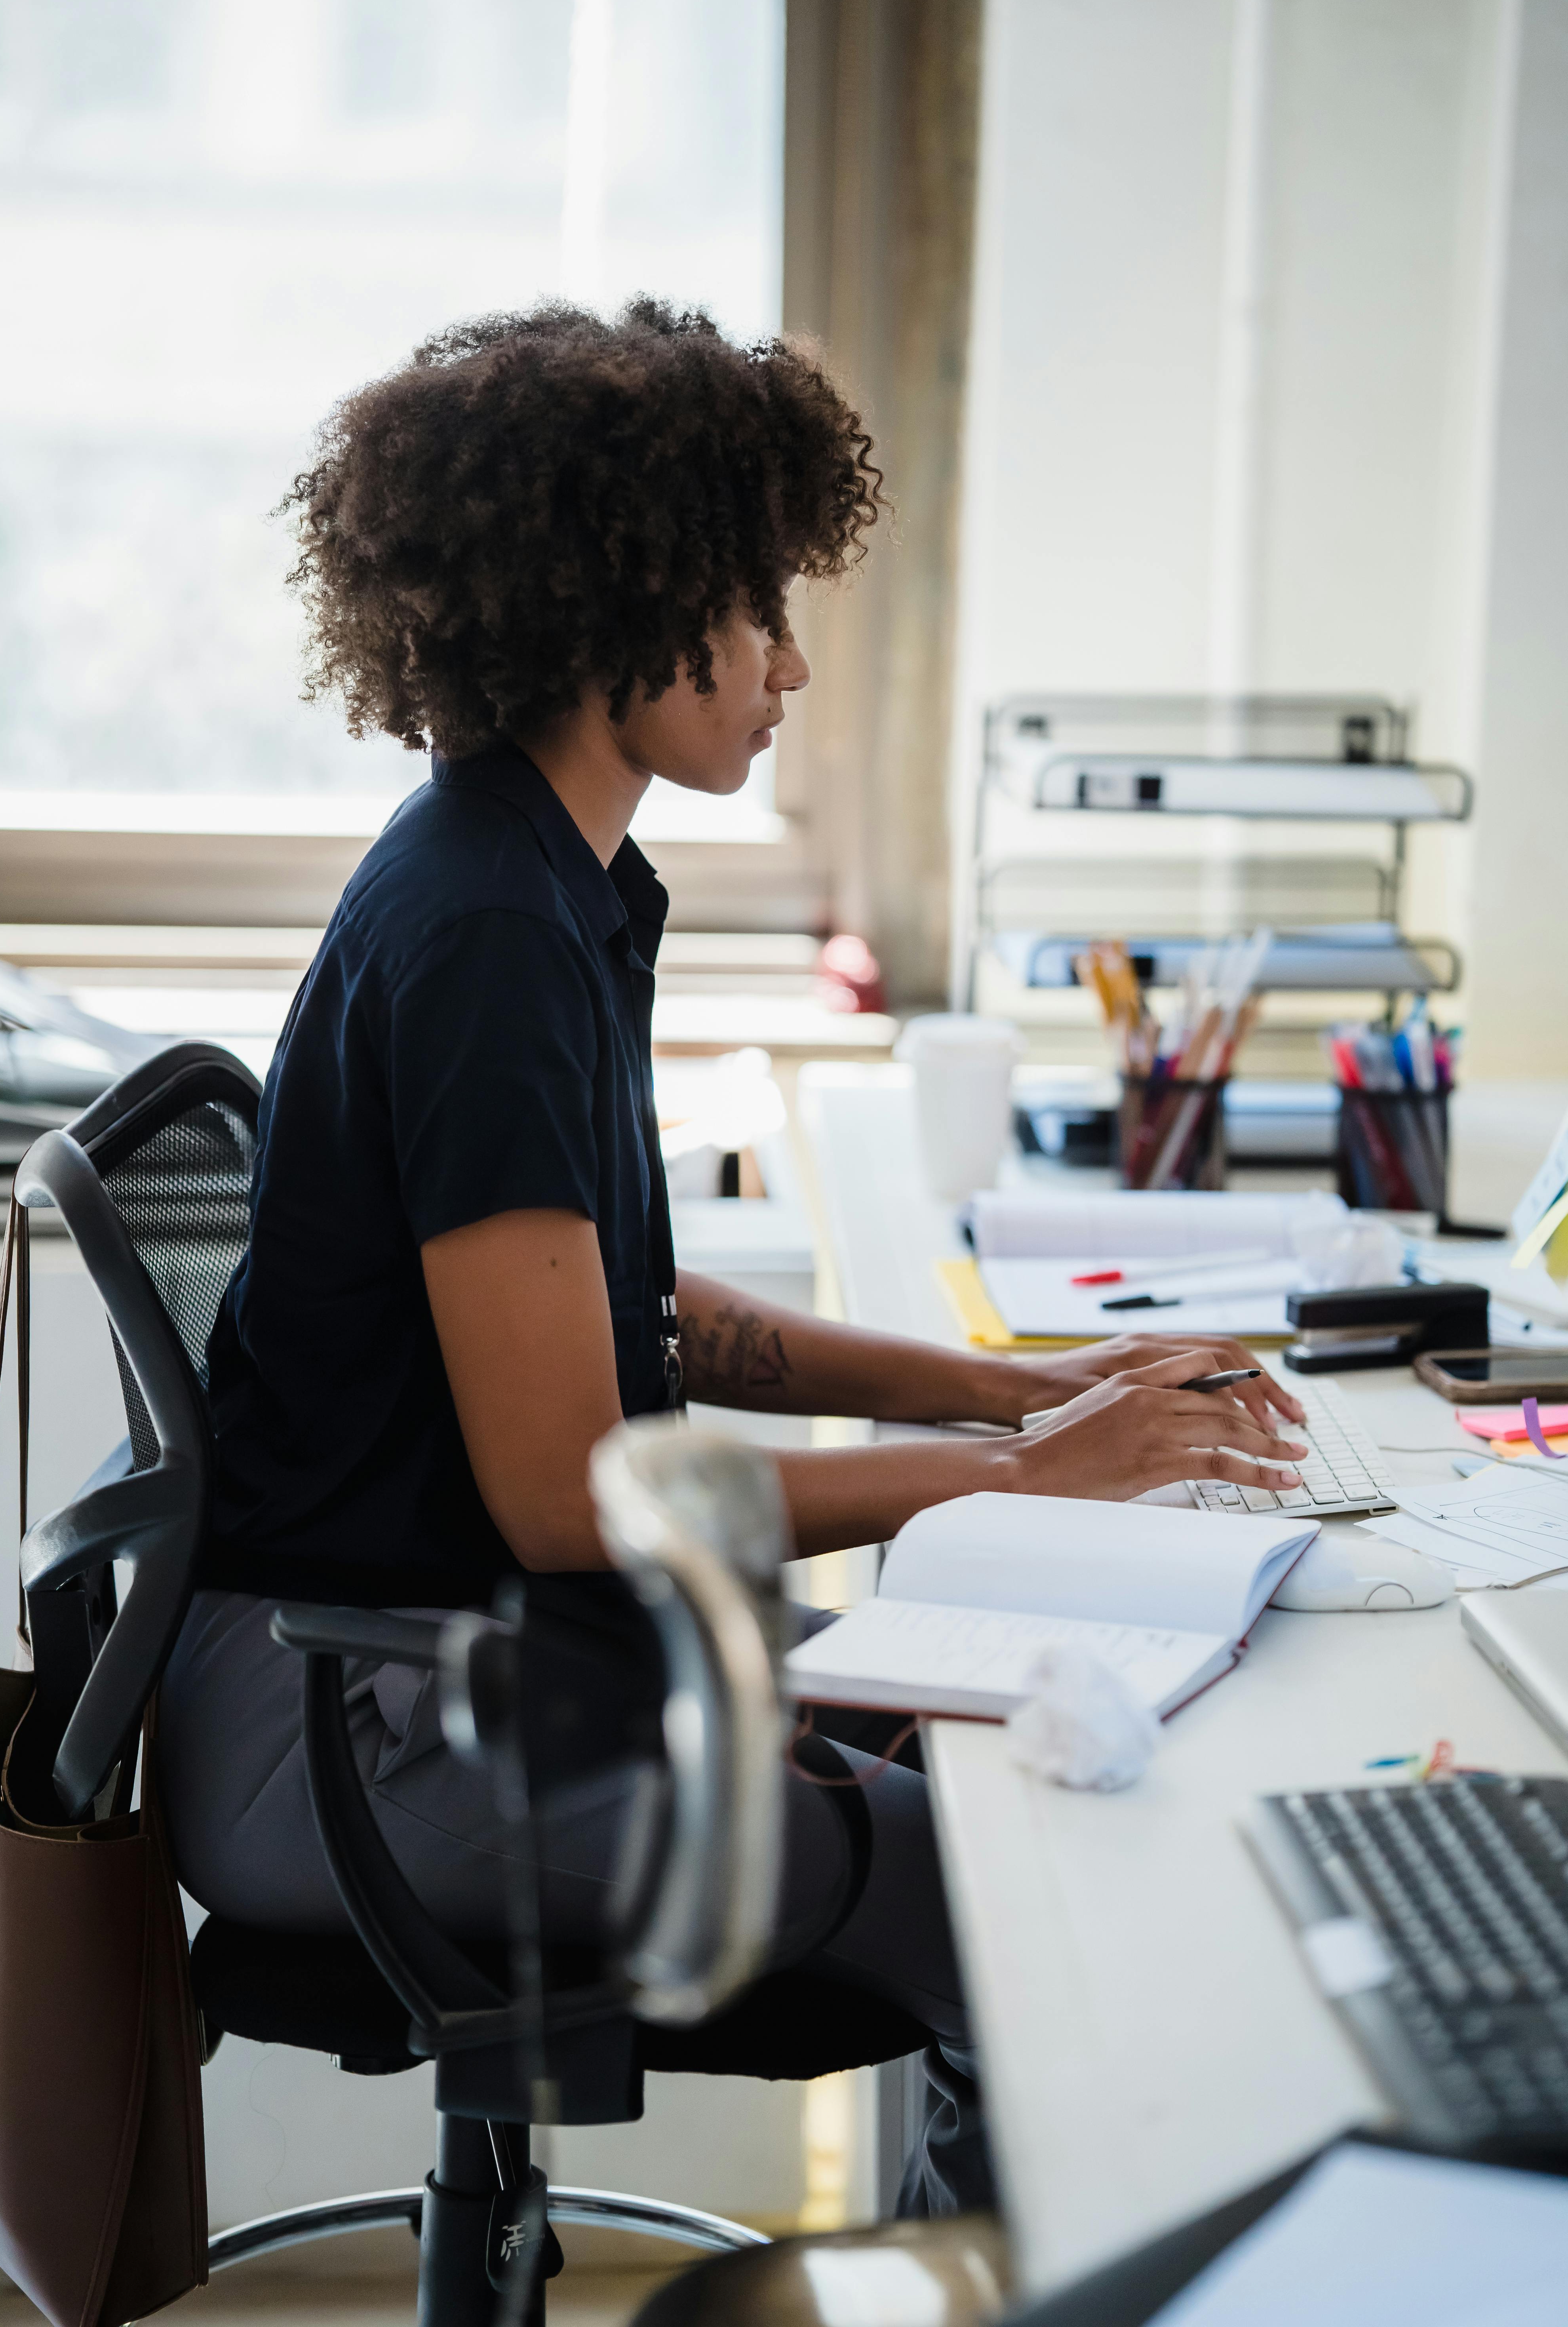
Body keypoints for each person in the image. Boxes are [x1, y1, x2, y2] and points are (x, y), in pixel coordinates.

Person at [160, 300, 1308, 2215]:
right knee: (1031, 1891)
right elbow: (565, 1492)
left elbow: (632, 1317)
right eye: (754, 601)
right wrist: (1029, 1476)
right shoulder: (484, 936)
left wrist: (1017, 1389)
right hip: (360, 1730)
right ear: (614, 605)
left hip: (454, 1670)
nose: (787, 660)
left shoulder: (544, 877)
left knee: (996, 1734)